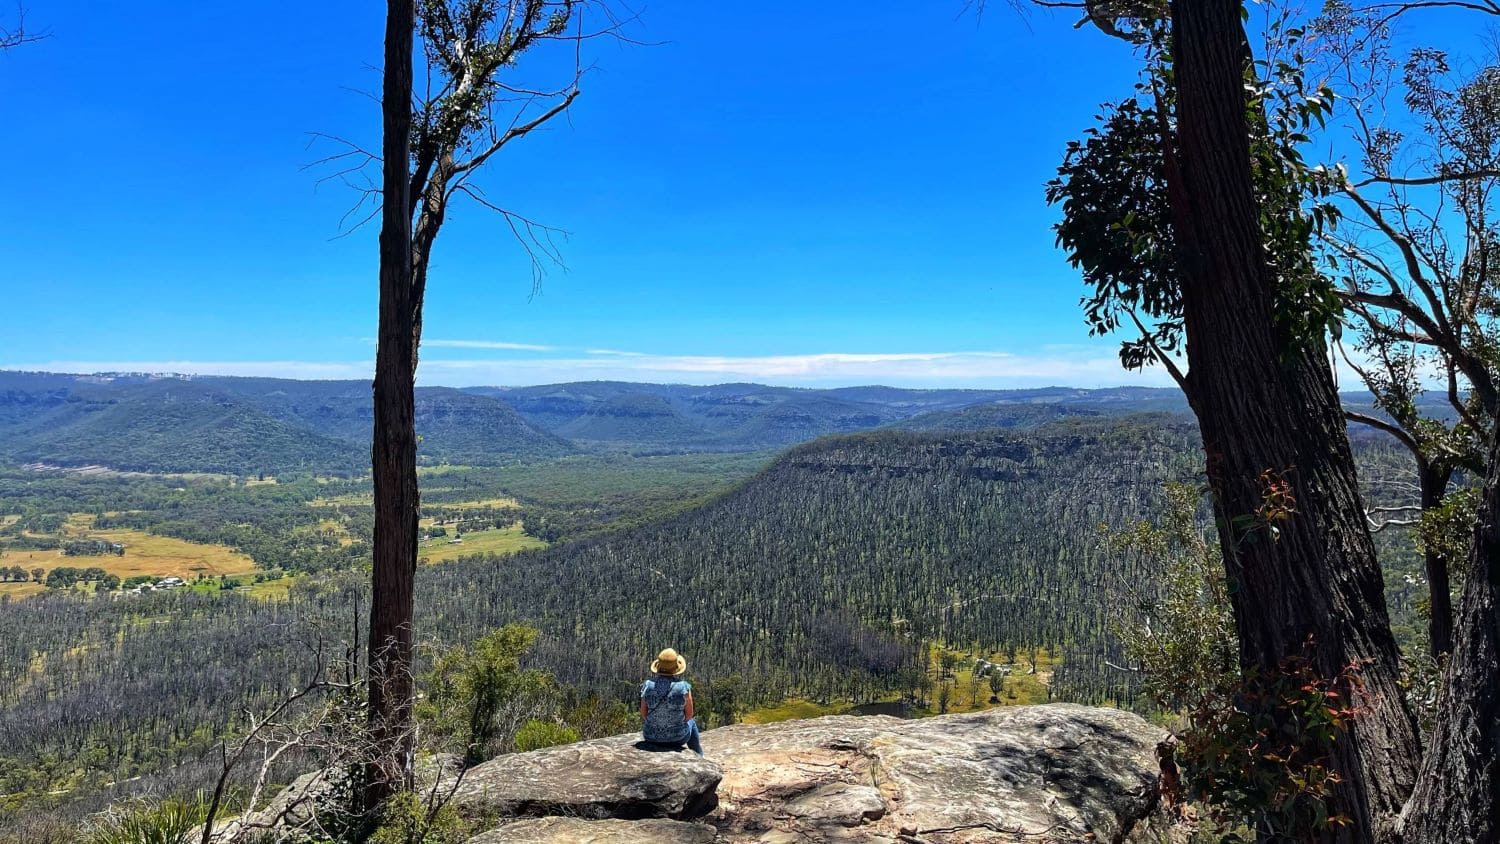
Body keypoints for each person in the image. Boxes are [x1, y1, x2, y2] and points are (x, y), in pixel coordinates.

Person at [639, 647, 703, 755]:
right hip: (678, 739)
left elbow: (644, 713)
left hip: (651, 736)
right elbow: (689, 715)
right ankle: (699, 756)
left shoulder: (648, 685)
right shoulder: (683, 687)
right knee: (691, 722)